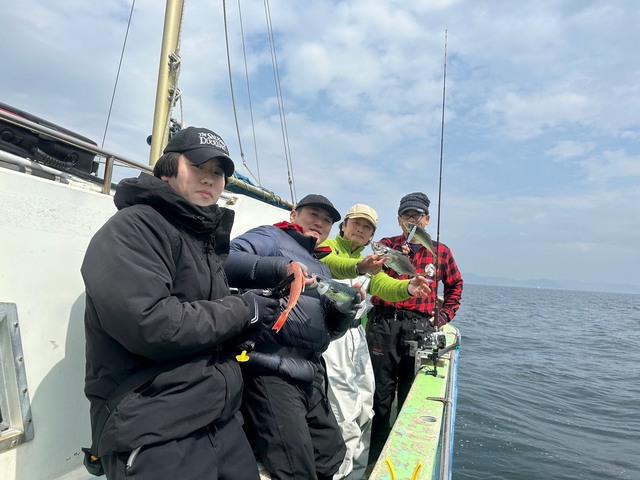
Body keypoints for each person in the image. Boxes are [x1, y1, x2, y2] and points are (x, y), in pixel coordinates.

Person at [81, 127, 281, 480]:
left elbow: (208, 320)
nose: (209, 178)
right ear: (167, 169)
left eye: (218, 172)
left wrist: (251, 319)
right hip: (154, 428)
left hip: (219, 420)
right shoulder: (133, 227)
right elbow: (152, 325)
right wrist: (243, 310)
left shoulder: (201, 239)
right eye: (198, 166)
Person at [223, 194, 362, 480]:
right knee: (294, 466)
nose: (319, 223)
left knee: (331, 456)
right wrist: (281, 267)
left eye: (326, 220)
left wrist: (346, 310)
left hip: (311, 373)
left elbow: (331, 331)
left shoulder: (322, 267)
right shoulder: (271, 236)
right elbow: (225, 258)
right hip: (268, 367)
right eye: (313, 214)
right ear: (293, 215)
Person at [319, 204, 431, 479]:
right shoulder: (325, 247)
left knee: (366, 405)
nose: (360, 229)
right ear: (343, 226)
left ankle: (357, 472)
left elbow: (383, 286)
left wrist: (408, 287)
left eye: (367, 227)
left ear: (372, 236)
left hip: (357, 337)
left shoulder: (370, 260)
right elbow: (333, 264)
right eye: (356, 223)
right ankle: (338, 473)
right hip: (330, 338)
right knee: (343, 412)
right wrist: (359, 266)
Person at [366, 192, 463, 464]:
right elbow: (375, 278)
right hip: (384, 324)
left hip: (419, 327)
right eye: (406, 215)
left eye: (417, 215)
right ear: (399, 220)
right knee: (379, 394)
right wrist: (397, 259)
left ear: (427, 220)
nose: (412, 220)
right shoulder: (386, 245)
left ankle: (402, 455)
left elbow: (455, 285)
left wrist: (442, 317)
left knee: (411, 392)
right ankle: (375, 456)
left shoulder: (441, 252)